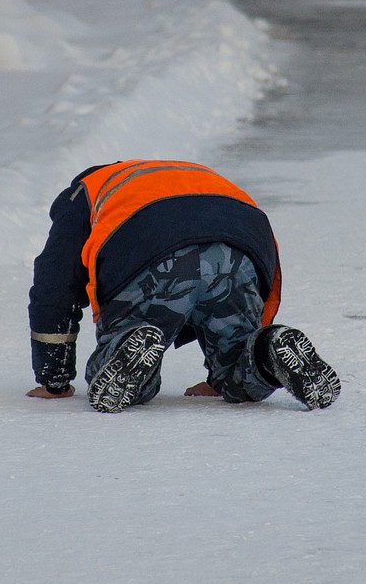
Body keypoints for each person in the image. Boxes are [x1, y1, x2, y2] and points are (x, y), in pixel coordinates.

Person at [26, 159, 341, 413]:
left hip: (153, 253)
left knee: (121, 361)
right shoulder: (187, 173)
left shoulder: (85, 193)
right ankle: (268, 351)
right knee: (238, 367)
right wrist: (257, 327)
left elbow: (54, 284)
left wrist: (54, 379)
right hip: (241, 246)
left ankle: (133, 342)